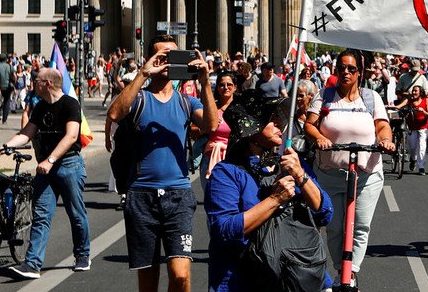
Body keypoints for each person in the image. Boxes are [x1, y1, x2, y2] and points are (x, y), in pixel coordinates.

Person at [107, 35, 218, 292]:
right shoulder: (140, 98)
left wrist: (205, 83)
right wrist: (143, 74)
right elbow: (114, 114)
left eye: (175, 57)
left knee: (180, 276)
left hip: (178, 196)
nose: (169, 63)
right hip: (141, 196)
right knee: (148, 282)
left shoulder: (186, 101)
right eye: (163, 57)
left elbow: (211, 125)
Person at [204, 92, 332, 291]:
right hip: (244, 280)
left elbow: (325, 212)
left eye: (279, 117)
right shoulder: (226, 173)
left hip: (300, 277)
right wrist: (274, 200)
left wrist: (301, 176)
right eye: (271, 119)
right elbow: (225, 231)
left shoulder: (292, 165)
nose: (279, 123)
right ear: (251, 127)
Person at [302, 49, 394, 286]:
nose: (345, 72)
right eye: (341, 68)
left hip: (365, 174)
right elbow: (309, 126)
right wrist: (319, 138)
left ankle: (350, 275)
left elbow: (382, 126)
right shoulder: (324, 96)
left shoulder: (371, 98)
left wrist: (384, 140)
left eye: (351, 69)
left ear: (359, 73)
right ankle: (339, 270)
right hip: (330, 172)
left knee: (360, 225)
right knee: (334, 226)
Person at [1, 67, 91, 279]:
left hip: (68, 165)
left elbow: (71, 136)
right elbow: (26, 134)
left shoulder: (70, 104)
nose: (33, 83)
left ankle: (82, 255)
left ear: (47, 83)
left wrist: (50, 160)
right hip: (45, 168)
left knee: (76, 213)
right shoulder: (40, 106)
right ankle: (32, 264)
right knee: (41, 216)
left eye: (36, 80)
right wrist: (4, 148)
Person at [193, 70, 238, 190]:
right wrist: (207, 126)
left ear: (235, 87)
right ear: (217, 88)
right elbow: (194, 130)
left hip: (233, 159)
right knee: (210, 196)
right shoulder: (210, 108)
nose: (225, 87)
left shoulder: (240, 110)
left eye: (229, 84)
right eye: (222, 85)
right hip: (210, 158)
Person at [395, 84, 428, 174]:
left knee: (422, 147)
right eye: (413, 91)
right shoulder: (409, 100)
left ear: (420, 92)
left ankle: (421, 167)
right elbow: (399, 106)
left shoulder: (426, 100)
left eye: (416, 91)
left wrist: (423, 111)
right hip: (412, 127)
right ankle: (413, 159)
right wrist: (389, 106)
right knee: (411, 147)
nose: (414, 92)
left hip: (423, 127)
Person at [0, 53, 15, 124]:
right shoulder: (10, 67)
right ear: (6, 59)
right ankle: (4, 119)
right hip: (8, 87)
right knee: (7, 102)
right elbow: (14, 76)